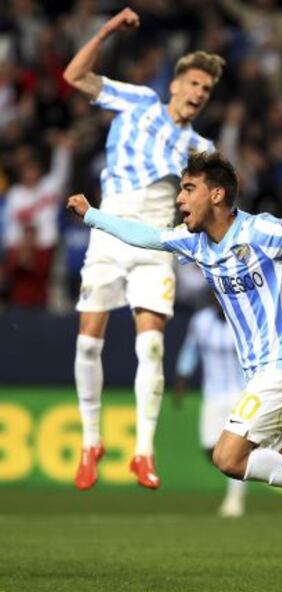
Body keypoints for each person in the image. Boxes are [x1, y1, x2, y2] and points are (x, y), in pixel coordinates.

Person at [67, 151, 282, 592]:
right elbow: (146, 236)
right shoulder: (196, 244)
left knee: (229, 458)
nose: (180, 199)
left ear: (217, 193)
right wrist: (94, 216)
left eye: (189, 189)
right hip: (265, 373)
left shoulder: (260, 231)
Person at [63, 7, 225, 491]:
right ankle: (91, 442)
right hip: (110, 228)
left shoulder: (201, 147)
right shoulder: (138, 101)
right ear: (176, 83)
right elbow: (74, 75)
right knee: (88, 341)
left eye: (207, 90)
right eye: (194, 84)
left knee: (151, 344)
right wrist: (110, 29)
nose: (199, 94)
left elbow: (207, 205)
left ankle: (143, 452)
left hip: (156, 238)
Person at [175, 296, 247, 517]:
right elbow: (190, 351)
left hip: (242, 394)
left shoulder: (244, 320)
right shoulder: (200, 321)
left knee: (234, 451)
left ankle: (234, 500)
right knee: (210, 448)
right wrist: (181, 382)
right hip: (213, 394)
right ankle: (257, 466)